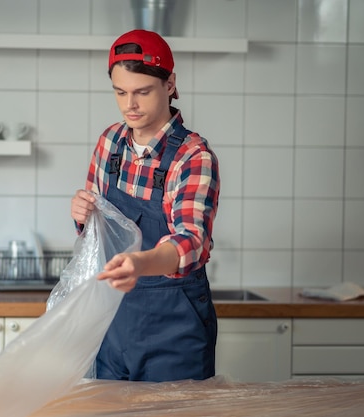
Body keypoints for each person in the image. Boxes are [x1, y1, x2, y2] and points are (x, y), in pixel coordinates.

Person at [70, 29, 220, 382]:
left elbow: (192, 243)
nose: (129, 105)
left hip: (174, 332)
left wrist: (139, 262)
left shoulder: (193, 157)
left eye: (142, 92)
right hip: (113, 322)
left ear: (169, 84)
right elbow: (97, 227)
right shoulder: (110, 142)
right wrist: (82, 214)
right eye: (120, 92)